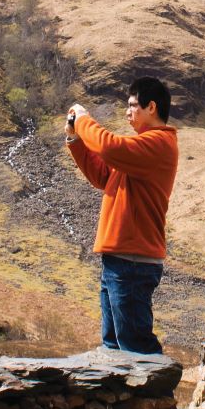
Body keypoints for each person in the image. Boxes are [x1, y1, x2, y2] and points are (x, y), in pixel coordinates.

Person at [65, 76, 178, 355]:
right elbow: (103, 175)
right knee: (115, 345)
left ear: (151, 107)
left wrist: (82, 120)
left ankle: (154, 395)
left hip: (133, 261)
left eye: (132, 106)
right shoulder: (141, 148)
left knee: (135, 348)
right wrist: (75, 140)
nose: (127, 113)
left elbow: (108, 147)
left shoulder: (159, 144)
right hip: (120, 259)